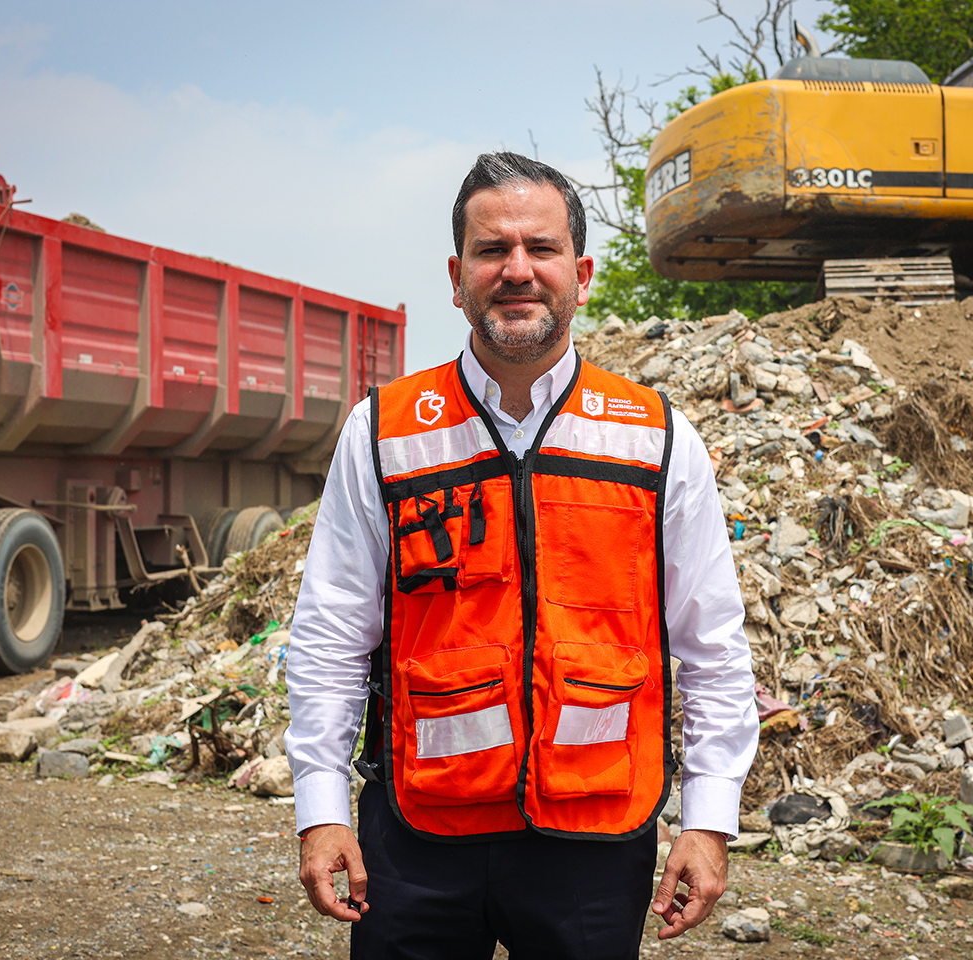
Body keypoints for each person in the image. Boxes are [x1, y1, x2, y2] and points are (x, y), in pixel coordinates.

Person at [286, 151, 757, 959]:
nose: (516, 270)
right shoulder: (385, 433)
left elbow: (712, 645)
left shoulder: (656, 440)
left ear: (581, 271)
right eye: (491, 250)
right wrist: (321, 808)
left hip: (595, 836)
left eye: (539, 249)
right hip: (417, 835)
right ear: (456, 273)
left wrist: (709, 819)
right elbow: (331, 635)